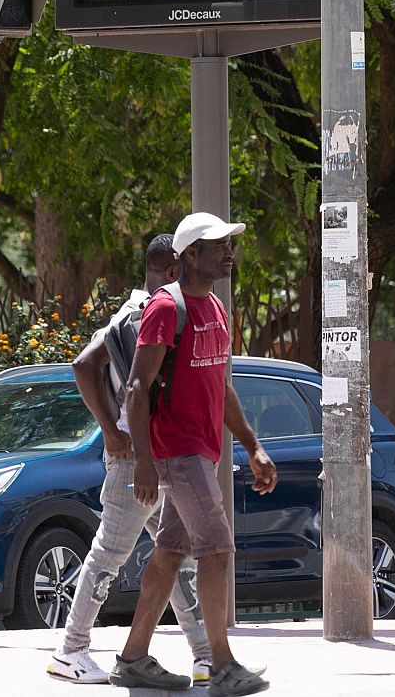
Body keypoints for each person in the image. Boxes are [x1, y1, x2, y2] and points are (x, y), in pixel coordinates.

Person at [110, 212, 276, 697]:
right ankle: (222, 665)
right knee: (218, 548)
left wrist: (253, 444)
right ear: (189, 255)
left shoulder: (217, 309)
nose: (228, 251)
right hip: (176, 450)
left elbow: (221, 389)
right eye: (217, 244)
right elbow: (138, 387)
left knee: (170, 551)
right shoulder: (167, 307)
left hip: (202, 453)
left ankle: (133, 658)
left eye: (229, 243)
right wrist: (142, 459)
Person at [47, 234, 213, 685]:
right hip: (140, 459)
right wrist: (112, 430)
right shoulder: (145, 313)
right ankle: (71, 650)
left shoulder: (136, 309)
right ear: (175, 270)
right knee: (110, 554)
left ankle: (205, 656)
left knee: (176, 553)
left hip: (156, 453)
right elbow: (85, 365)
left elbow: (88, 365)